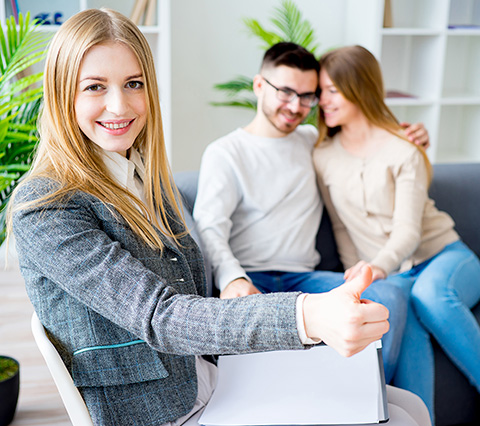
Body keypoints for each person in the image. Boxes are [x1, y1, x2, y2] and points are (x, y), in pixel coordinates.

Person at [5, 10, 430, 426]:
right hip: (164, 409)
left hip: (213, 376)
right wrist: (306, 316)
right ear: (62, 94)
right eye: (94, 87)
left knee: (408, 405)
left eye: (133, 83)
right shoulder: (46, 205)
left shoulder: (143, 175)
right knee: (400, 419)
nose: (119, 105)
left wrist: (397, 136)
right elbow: (162, 316)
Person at [193, 41, 429, 384]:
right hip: (253, 278)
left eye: (307, 96)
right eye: (286, 92)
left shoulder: (312, 142)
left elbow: (368, 140)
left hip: (305, 280)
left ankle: (372, 398)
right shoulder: (225, 153)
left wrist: (413, 135)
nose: (296, 106)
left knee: (390, 294)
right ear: (260, 85)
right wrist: (232, 278)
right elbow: (210, 227)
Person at [313, 44, 480, 423]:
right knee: (403, 317)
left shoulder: (403, 147)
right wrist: (353, 273)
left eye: (333, 90)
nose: (323, 100)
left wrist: (374, 269)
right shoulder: (322, 153)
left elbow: (408, 231)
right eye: (321, 91)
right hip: (393, 272)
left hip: (443, 255)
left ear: (361, 88)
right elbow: (341, 225)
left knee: (431, 295)